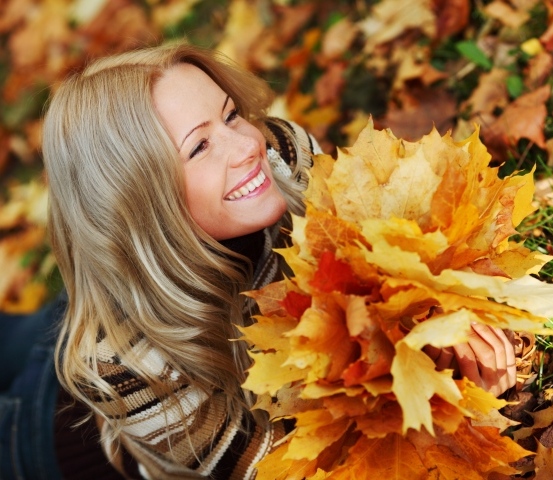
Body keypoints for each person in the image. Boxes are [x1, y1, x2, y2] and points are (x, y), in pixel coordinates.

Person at [1, 43, 516, 479]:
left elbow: (379, 264)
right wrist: (442, 406)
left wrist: (438, 322)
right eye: (199, 147)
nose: (247, 145)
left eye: (230, 115)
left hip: (143, 278)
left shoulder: (280, 156)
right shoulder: (129, 368)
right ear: (141, 202)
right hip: (46, 431)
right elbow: (287, 468)